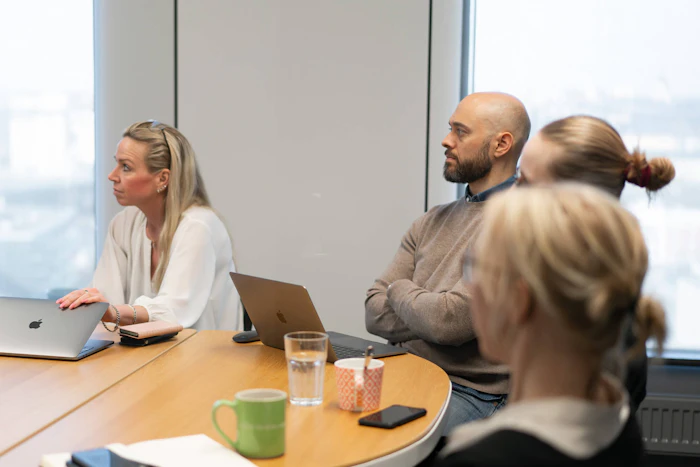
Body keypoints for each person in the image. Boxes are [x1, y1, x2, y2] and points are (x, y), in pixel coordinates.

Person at [437, 184, 666, 467]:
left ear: (518, 301)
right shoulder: (615, 410)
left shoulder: (477, 459)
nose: (470, 286)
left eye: (474, 268)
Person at [365, 92, 531, 432]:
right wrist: (433, 314)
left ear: (501, 145)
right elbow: (374, 311)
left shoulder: (518, 220)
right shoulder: (430, 221)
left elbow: (450, 321)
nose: (446, 140)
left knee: (386, 443)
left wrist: (400, 290)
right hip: (406, 369)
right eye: (449, 129)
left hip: (473, 391)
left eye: (460, 131)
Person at [516, 115, 675, 411]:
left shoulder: (583, 304)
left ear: (578, 200)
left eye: (526, 182)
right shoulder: (589, 269)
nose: (513, 193)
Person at [58, 121, 239, 331]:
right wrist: (87, 303)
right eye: (116, 164)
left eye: (126, 167)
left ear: (162, 178)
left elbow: (174, 312)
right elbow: (106, 298)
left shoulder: (199, 226)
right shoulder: (123, 223)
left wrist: (112, 312)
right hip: (147, 357)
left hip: (203, 359)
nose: (112, 176)